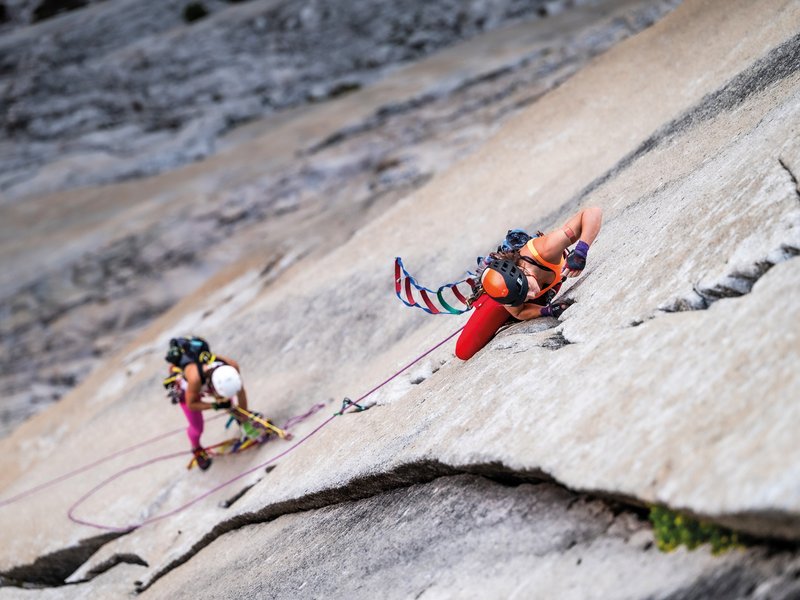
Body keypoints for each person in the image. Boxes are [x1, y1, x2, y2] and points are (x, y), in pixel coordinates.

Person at [455, 207, 602, 360]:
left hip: (519, 285)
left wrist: (580, 252)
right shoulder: (506, 294)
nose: (533, 294)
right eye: (525, 296)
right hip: (502, 298)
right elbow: (518, 312)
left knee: (464, 350)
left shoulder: (546, 250)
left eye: (528, 289)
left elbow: (592, 212)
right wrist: (547, 311)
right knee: (464, 351)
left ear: (523, 271)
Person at [163, 337, 249, 470]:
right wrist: (215, 405)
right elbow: (192, 405)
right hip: (188, 387)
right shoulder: (194, 378)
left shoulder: (232, 367)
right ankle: (196, 448)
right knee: (197, 427)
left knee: (228, 403)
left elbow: (240, 392)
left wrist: (244, 417)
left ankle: (241, 420)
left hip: (207, 380)